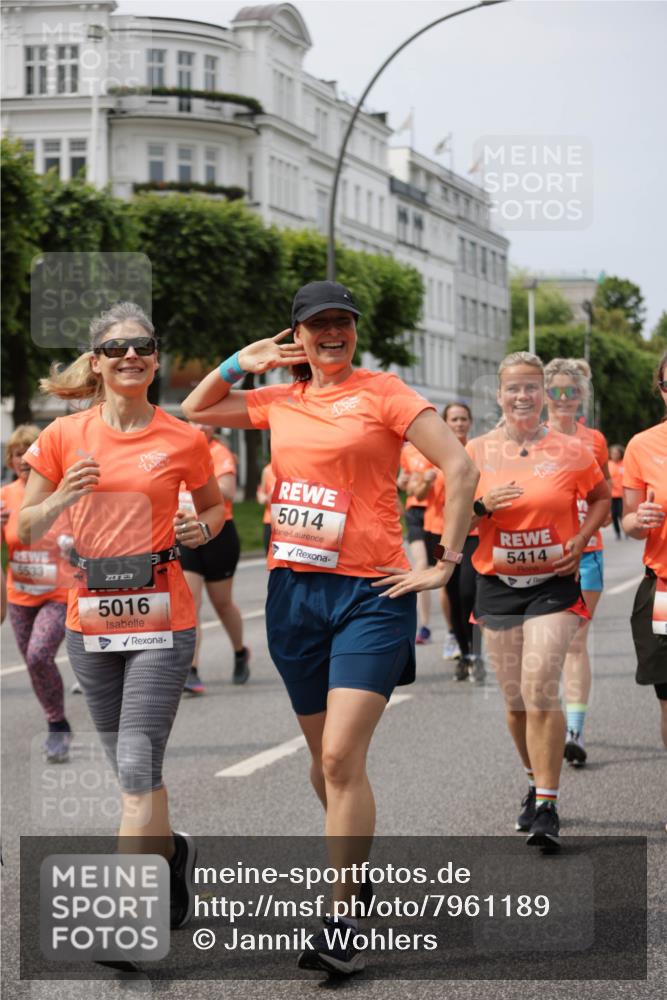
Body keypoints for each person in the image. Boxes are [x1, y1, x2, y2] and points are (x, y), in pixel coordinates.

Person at [182, 280, 479, 973]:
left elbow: (459, 467)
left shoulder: (386, 392)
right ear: (298, 336)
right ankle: (355, 868)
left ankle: (341, 915)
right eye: (317, 325)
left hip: (371, 594)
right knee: (323, 764)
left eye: (342, 322)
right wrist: (240, 361)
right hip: (293, 593)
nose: (332, 333)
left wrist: (446, 561)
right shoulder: (278, 398)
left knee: (342, 758)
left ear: (354, 330)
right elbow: (193, 409)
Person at [19, 302, 225, 930]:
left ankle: (125, 916)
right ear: (99, 362)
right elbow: (24, 526)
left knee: (137, 766)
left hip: (163, 620)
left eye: (143, 345)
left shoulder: (183, 436)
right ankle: (171, 854)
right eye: (116, 348)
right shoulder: (64, 436)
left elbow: (216, 510)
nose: (131, 355)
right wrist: (62, 494)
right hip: (91, 621)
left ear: (155, 359)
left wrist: (200, 528)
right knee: (134, 770)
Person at [466, 351, 610, 849]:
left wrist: (583, 537)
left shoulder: (571, 451)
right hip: (498, 586)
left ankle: (547, 804)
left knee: (539, 685)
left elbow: (601, 497)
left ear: (543, 395)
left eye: (532, 387)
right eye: (513, 388)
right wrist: (483, 506)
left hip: (553, 584)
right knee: (514, 702)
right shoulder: (477, 452)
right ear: (499, 394)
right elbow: (456, 524)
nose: (523, 396)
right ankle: (533, 781)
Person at [544, 358, 612, 767]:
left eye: (573, 391)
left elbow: (602, 497)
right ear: (545, 394)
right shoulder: (531, 438)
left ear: (582, 394)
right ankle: (547, 721)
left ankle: (575, 729)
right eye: (557, 391)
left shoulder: (595, 440)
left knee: (575, 642)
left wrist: (583, 531)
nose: (565, 398)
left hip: (586, 551)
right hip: (541, 554)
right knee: (544, 647)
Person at [1, 425, 72, 762]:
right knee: (32, 664)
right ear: (11, 460)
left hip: (58, 591)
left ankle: (58, 727)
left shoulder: (58, 492)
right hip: (20, 594)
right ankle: (55, 720)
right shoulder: (4, 496)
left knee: (38, 655)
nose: (25, 461)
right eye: (18, 454)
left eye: (31, 453)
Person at [621, 350, 667, 831]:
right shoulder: (643, 446)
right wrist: (639, 520)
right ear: (661, 389)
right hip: (664, 588)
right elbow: (630, 522)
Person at [179, 423, 250, 694]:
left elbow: (229, 491)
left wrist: (199, 485)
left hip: (218, 534)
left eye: (205, 422)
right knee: (190, 603)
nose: (199, 426)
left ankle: (240, 651)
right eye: (194, 421)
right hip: (185, 533)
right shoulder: (178, 450)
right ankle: (191, 670)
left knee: (222, 604)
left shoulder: (218, 452)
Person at [415, 403, 483, 680]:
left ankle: (476, 652)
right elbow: (417, 495)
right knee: (453, 594)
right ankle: (465, 652)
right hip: (439, 534)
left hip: (472, 533)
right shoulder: (432, 452)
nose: (459, 424)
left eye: (463, 419)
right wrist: (426, 481)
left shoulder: (479, 452)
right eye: (453, 419)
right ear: (445, 422)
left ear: (470, 422)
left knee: (470, 592)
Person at [398, 441, 440, 646]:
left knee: (439, 567)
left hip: (439, 512)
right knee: (421, 564)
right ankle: (423, 626)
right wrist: (404, 482)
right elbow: (403, 481)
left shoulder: (438, 445)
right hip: (414, 512)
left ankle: (452, 627)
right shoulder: (407, 451)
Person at [257, 460, 277, 555]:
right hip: (269, 520)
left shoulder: (289, 468)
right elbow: (261, 495)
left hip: (286, 521)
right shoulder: (267, 470)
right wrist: (266, 497)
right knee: (269, 554)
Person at [609, 444, 625, 540]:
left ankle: (626, 530)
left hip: (622, 495)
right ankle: (617, 533)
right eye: (613, 453)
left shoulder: (624, 464)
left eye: (616, 453)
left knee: (621, 514)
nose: (614, 455)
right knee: (614, 515)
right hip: (611, 495)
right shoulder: (608, 464)